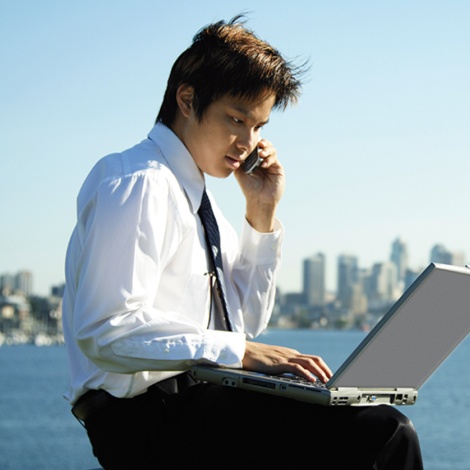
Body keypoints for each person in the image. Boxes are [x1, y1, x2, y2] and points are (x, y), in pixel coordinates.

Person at [62, 16, 424, 469]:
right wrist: (243, 353)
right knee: (384, 433)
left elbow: (244, 322)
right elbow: (105, 329)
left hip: (200, 405)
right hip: (149, 421)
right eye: (236, 119)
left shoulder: (200, 202)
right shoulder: (139, 182)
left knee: (366, 422)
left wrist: (262, 211)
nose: (248, 143)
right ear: (188, 100)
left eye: (259, 126)